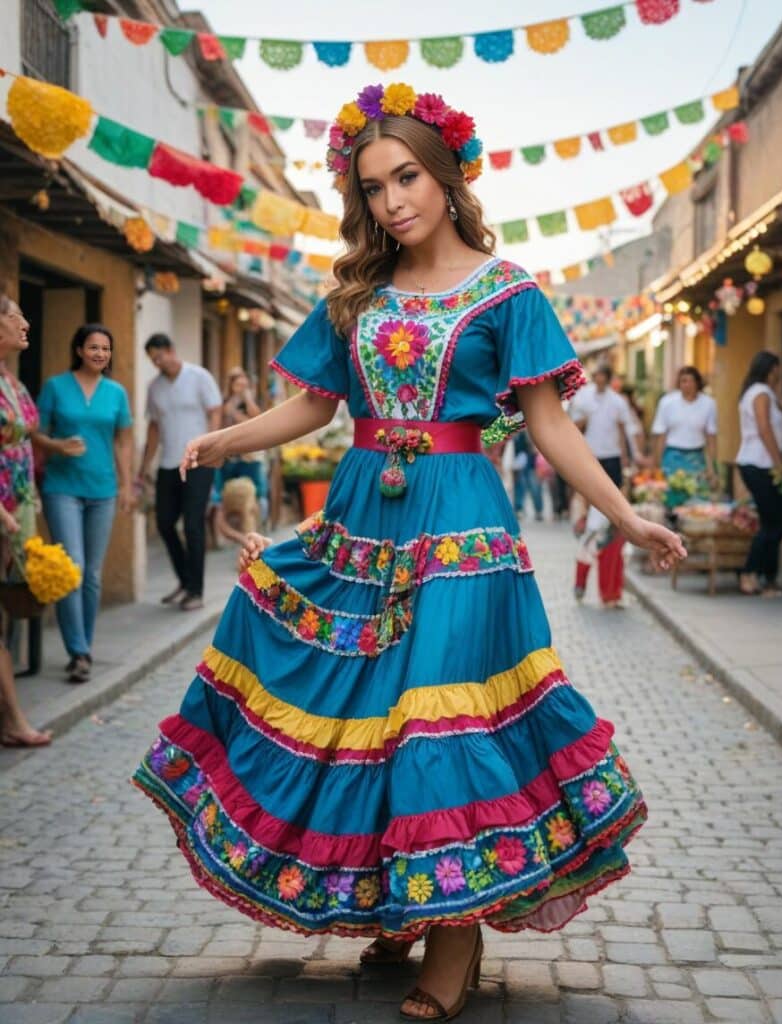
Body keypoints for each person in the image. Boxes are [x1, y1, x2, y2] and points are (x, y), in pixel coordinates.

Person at [132, 84, 684, 1022]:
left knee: (439, 718)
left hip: (464, 525)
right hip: (361, 522)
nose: (393, 201)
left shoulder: (508, 293)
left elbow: (548, 426)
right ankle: (398, 894)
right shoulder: (358, 298)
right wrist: (227, 441)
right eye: (375, 187)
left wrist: (625, 517)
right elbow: (316, 406)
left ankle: (453, 941)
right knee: (373, 714)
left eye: (409, 177)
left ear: (447, 174)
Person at [34, 324, 134, 683]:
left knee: (91, 575)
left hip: (103, 489)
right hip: (62, 487)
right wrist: (57, 446)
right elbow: (35, 433)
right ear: (79, 349)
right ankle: (77, 651)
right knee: (72, 569)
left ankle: (84, 646)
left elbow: (123, 442)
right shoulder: (55, 387)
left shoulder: (116, 392)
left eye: (105, 349)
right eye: (93, 347)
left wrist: (126, 485)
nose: (100, 354)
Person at [0, 290, 51, 747]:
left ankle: (10, 719)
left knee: (11, 610)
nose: (26, 323)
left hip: (20, 510)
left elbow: (26, 442)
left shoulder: (12, 382)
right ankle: (13, 721)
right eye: (16, 316)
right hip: (3, 515)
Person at [138, 335, 221, 612]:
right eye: (152, 359)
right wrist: (143, 466)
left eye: (159, 356)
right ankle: (185, 581)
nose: (157, 362)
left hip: (198, 462)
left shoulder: (199, 377)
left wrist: (214, 449)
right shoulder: (154, 388)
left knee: (193, 526)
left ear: (171, 350)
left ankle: (196, 591)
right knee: (163, 522)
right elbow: (153, 428)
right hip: (168, 464)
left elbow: (215, 413)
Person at [736, 350, 782, 597]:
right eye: (778, 368)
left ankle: (767, 580)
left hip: (760, 463)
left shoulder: (763, 393)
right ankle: (749, 573)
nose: (780, 373)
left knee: (772, 522)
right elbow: (764, 428)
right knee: (777, 522)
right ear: (771, 369)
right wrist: (779, 463)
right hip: (760, 464)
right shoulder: (760, 394)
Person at [569, 367, 631, 607]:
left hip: (612, 458)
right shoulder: (583, 398)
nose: (600, 380)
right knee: (592, 536)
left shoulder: (617, 402)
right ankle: (586, 584)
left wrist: (626, 459)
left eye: (604, 376)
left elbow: (624, 431)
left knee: (604, 538)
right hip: (590, 457)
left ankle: (607, 592)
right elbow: (572, 430)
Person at [211, 367, 268, 545]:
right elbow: (224, 418)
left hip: (249, 458)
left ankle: (254, 533)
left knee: (255, 496)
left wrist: (247, 398)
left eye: (244, 383)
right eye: (237, 383)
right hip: (229, 457)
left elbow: (257, 420)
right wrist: (236, 404)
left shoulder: (252, 400)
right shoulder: (224, 401)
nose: (241, 387)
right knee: (221, 499)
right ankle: (227, 537)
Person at [651, 366, 718, 509]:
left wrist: (712, 467)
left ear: (698, 383)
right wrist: (657, 464)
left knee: (697, 498)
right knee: (671, 499)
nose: (686, 385)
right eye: (683, 381)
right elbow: (661, 434)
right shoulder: (667, 402)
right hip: (672, 456)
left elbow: (711, 437)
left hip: (696, 457)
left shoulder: (708, 404)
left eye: (690, 381)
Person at [511, 429, 543, 521]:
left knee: (535, 488)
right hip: (518, 465)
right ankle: (519, 509)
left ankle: (538, 510)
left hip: (531, 464)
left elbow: (534, 448)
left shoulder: (529, 431)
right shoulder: (516, 433)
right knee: (520, 487)